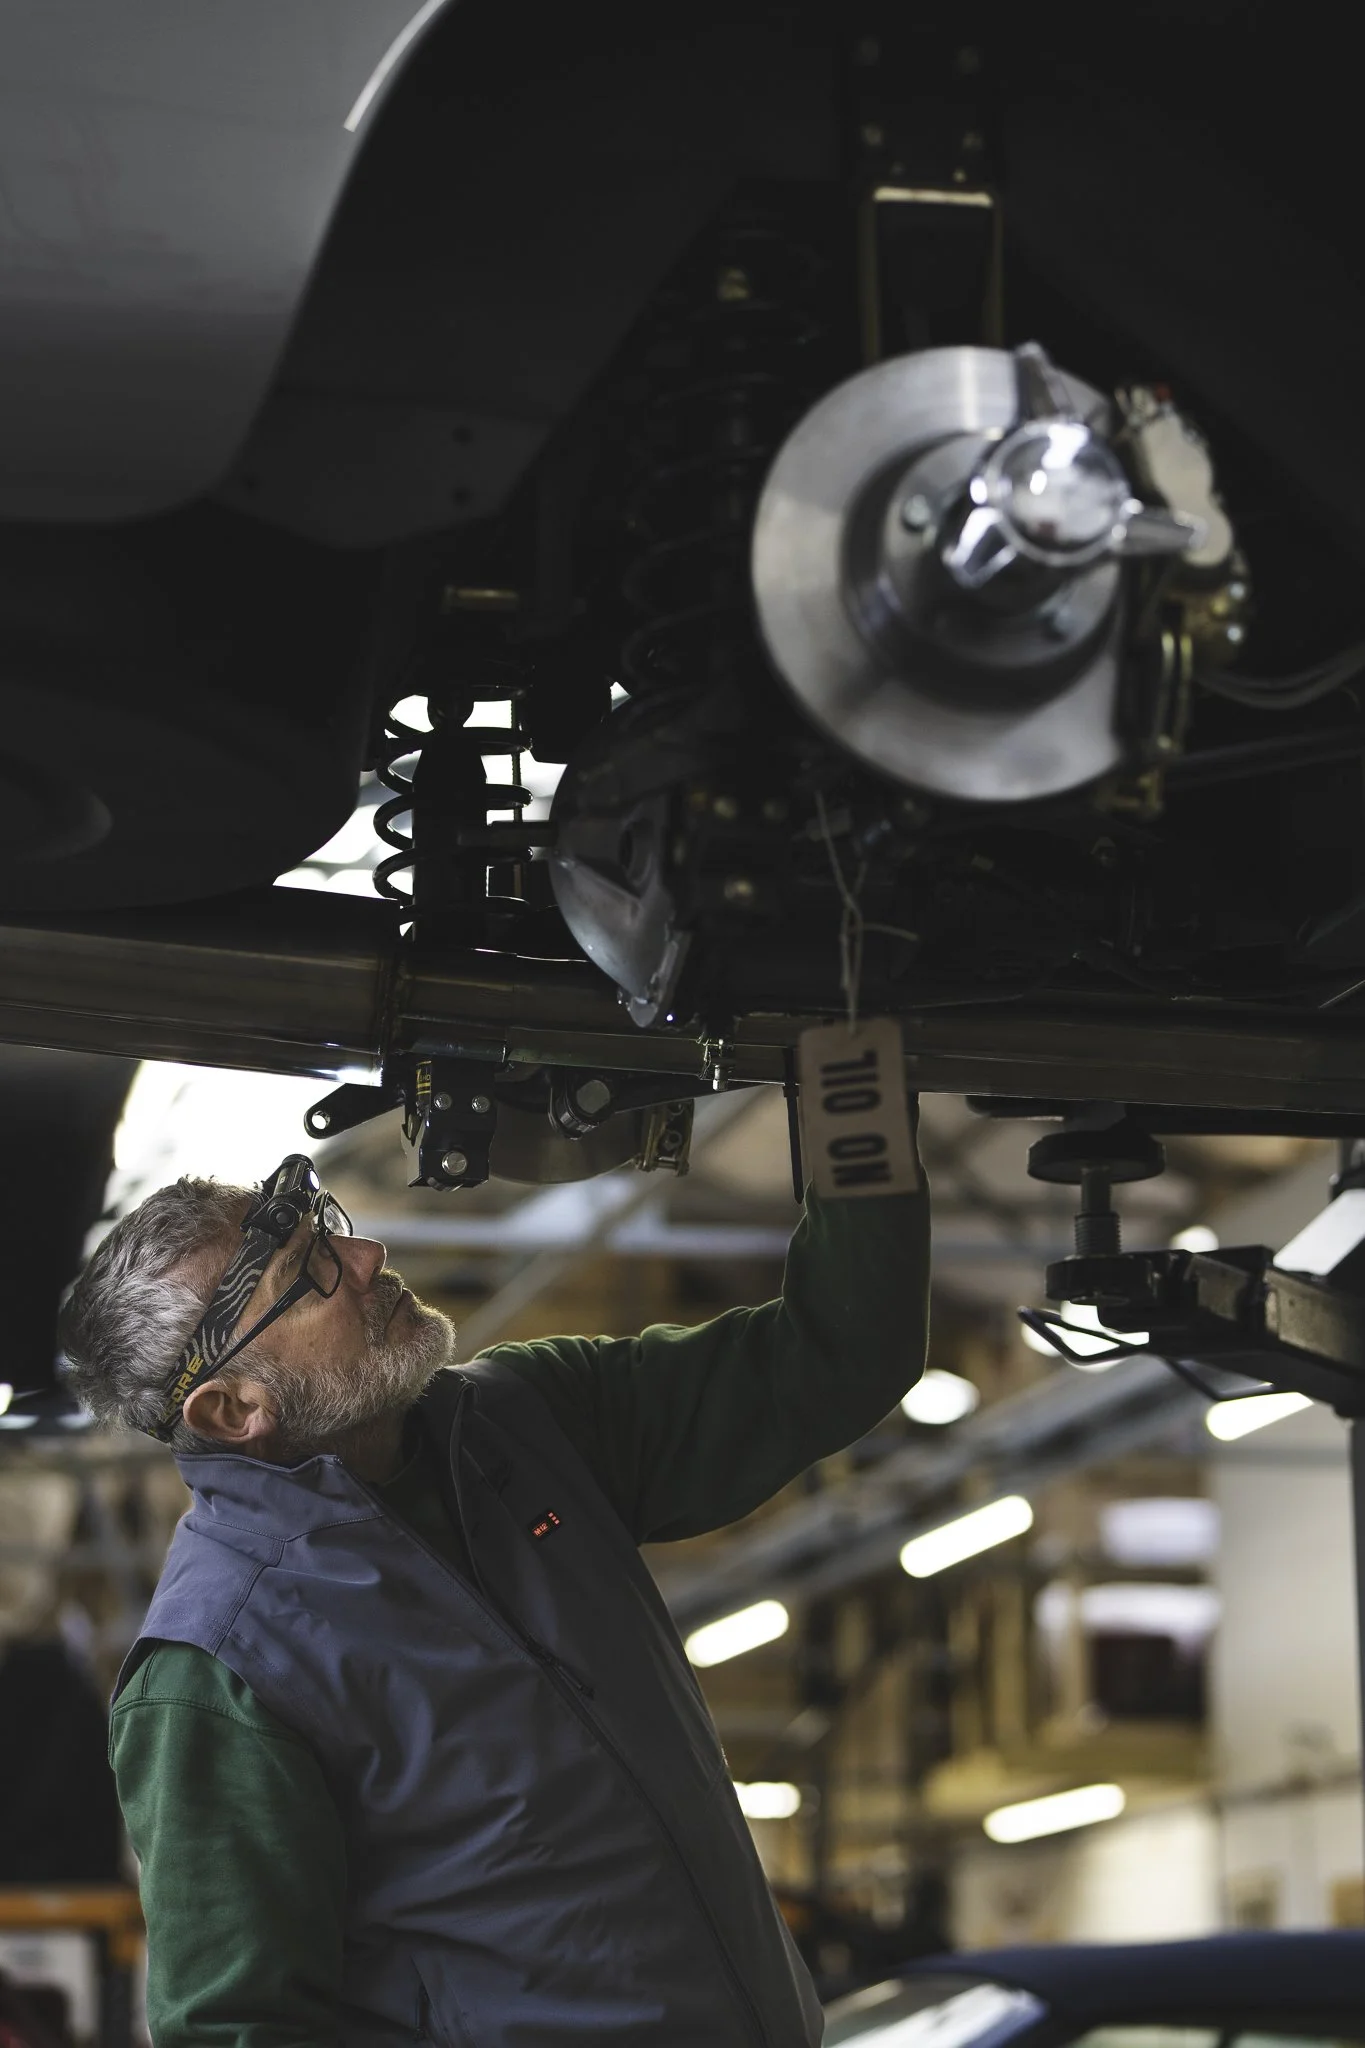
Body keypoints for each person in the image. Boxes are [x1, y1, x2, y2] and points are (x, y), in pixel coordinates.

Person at [60, 1137, 930, 2048]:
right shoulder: (221, 1667)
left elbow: (836, 1354)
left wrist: (851, 1094)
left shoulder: (527, 1422)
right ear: (232, 1410)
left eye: (333, 1233)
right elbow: (238, 2031)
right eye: (311, 1273)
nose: (368, 1258)